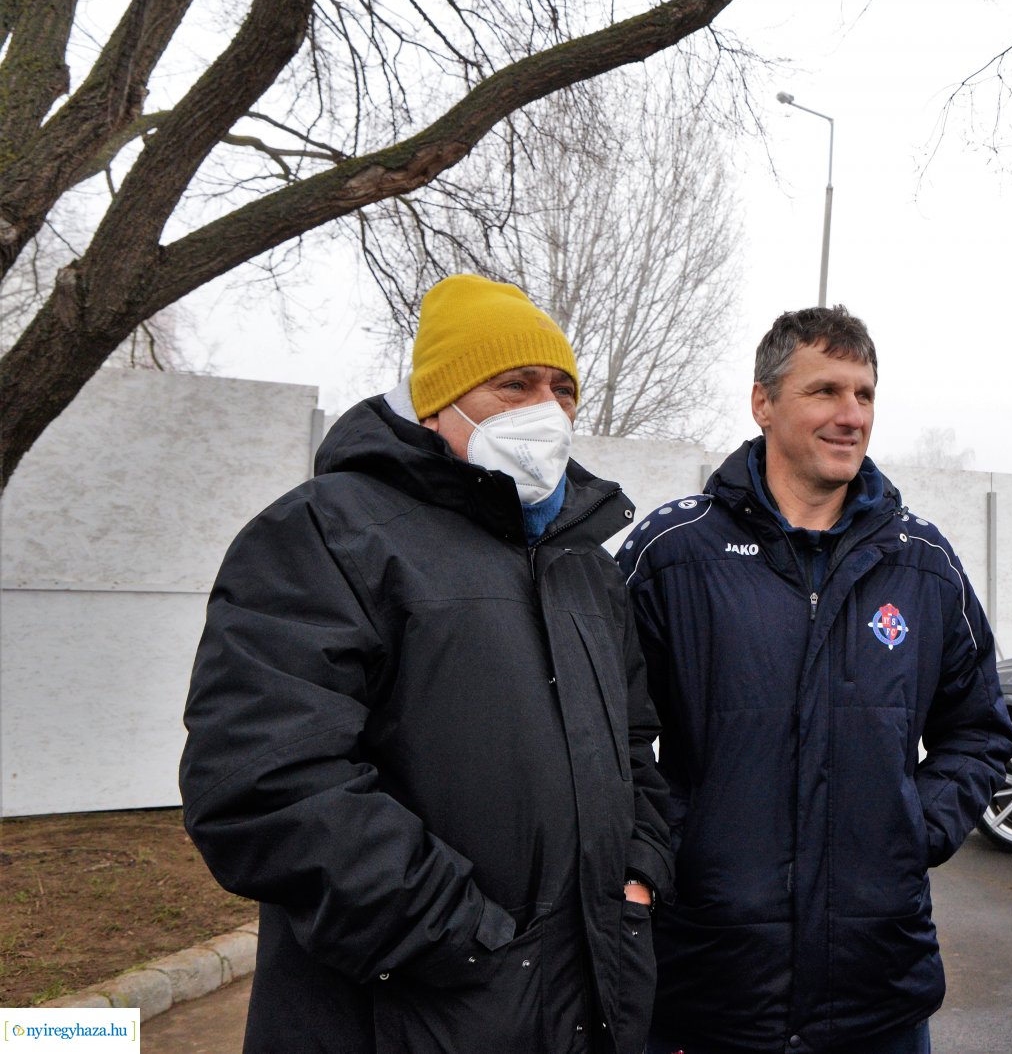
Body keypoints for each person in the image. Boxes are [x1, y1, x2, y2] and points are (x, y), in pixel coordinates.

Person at [180, 274, 673, 1054]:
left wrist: (636, 880)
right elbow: (262, 782)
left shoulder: (587, 568)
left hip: (580, 1009)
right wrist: (463, 935)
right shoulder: (327, 535)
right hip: (405, 1016)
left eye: (562, 389)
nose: (546, 409)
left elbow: (634, 752)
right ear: (438, 401)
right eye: (514, 384)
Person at [617, 305, 1012, 1054]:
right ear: (763, 402)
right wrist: (676, 843)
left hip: (877, 993)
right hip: (713, 985)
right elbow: (606, 732)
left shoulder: (923, 564)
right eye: (826, 391)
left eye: (864, 395)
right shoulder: (673, 553)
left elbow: (979, 728)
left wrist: (914, 825)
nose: (851, 415)